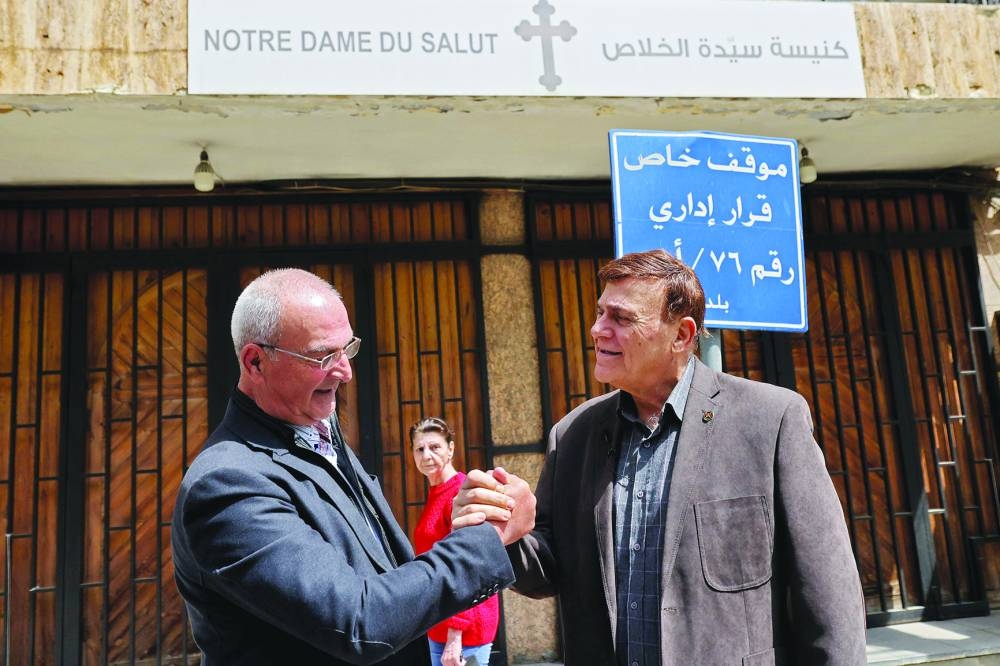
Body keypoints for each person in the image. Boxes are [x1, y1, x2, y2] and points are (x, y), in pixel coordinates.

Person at [453, 249, 867, 665]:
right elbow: (549, 570)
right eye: (600, 313)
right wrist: (508, 533)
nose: (598, 329)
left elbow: (828, 591)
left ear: (682, 336)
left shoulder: (770, 420)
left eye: (621, 318)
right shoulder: (573, 436)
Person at [171, 268, 534, 666]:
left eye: (348, 349)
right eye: (323, 356)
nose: (344, 371)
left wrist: (470, 516)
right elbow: (359, 622)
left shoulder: (312, 424)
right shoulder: (226, 485)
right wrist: (487, 538)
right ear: (256, 361)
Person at [410, 417, 499, 666]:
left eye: (435, 447)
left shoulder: (460, 492)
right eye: (419, 449)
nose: (426, 455)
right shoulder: (436, 493)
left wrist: (455, 634)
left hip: (465, 628)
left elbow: (469, 566)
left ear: (451, 449)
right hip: (440, 623)